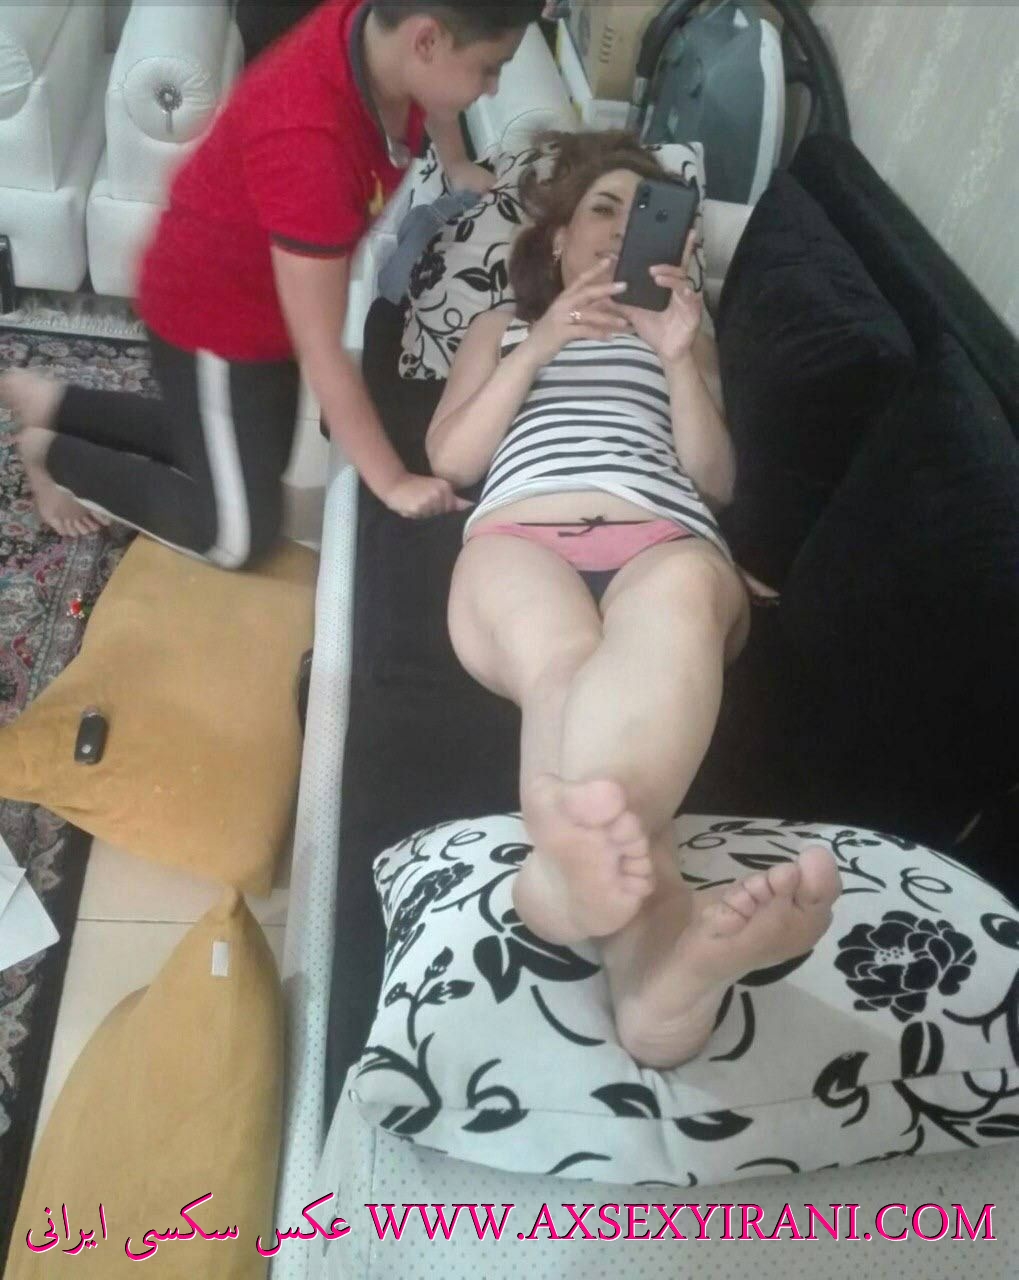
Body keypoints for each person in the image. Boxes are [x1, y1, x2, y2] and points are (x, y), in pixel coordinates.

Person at [425, 131, 842, 1070]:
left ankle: (584, 910)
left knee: (680, 604)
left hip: (662, 538)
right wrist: (540, 345)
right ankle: (648, 963)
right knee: (564, 663)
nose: (619, 229)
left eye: (645, 215)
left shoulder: (690, 338)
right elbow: (451, 458)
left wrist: (679, 357)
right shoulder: (502, 328)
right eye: (601, 210)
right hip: (522, 536)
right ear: (559, 241)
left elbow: (715, 480)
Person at [0, 0, 543, 558]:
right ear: (426, 41)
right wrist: (394, 482)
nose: (493, 87)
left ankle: (56, 403)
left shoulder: (382, 39)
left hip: (269, 299)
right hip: (212, 315)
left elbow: (435, 96)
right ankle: (53, 456)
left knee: (241, 452)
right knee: (236, 536)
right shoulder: (311, 143)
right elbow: (323, 351)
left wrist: (455, 163)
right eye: (489, 68)